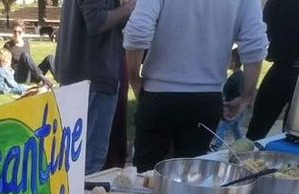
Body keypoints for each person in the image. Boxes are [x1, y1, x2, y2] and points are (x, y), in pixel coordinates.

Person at [124, 0, 268, 173]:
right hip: (206, 99)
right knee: (190, 179)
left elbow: (137, 31)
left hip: (159, 94)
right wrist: (247, 94)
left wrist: (134, 80)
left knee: (144, 178)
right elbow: (254, 42)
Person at [55, 0, 136, 175]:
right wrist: (131, 7)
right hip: (95, 78)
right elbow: (96, 21)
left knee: (70, 160)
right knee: (89, 163)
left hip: (77, 75)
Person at [246, 0, 299, 141]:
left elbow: (265, 29)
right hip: (282, 68)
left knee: (257, 130)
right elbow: (264, 28)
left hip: (282, 68)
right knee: (258, 129)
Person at [3, 20, 54, 88]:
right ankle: (44, 79)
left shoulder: (26, 43)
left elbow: (29, 62)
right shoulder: (8, 45)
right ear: (12, 32)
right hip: (18, 76)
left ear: (23, 33)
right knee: (25, 55)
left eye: (19, 32)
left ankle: (61, 81)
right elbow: (4, 64)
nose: (17, 34)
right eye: (14, 32)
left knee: (50, 58)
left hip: (30, 75)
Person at [211, 49, 245, 151]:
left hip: (232, 108)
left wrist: (226, 104)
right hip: (240, 108)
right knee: (235, 127)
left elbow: (233, 94)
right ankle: (241, 142)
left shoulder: (233, 79)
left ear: (233, 63)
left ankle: (216, 146)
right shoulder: (243, 76)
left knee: (223, 127)